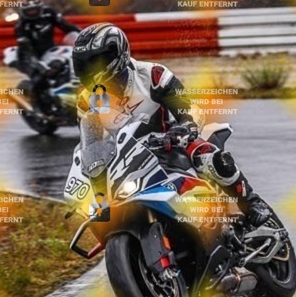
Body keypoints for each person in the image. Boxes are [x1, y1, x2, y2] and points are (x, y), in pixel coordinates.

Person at [71, 23, 272, 228]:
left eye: (94, 62)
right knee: (100, 211)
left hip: (172, 142)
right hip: (128, 160)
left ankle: (251, 203)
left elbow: (187, 107)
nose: (88, 71)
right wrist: (93, 182)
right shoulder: (87, 101)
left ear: (116, 55)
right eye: (82, 64)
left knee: (207, 156)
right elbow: (92, 146)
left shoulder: (152, 75)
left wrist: (185, 128)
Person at [14, 0, 81, 111]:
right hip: (32, 56)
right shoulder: (21, 26)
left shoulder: (49, 13)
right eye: (29, 10)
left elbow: (66, 26)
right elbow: (25, 49)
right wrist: (38, 65)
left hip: (51, 50)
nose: (32, 12)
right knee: (43, 75)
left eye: (35, 9)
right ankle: (40, 107)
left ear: (41, 6)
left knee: (69, 60)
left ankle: (74, 88)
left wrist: (85, 35)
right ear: (22, 10)